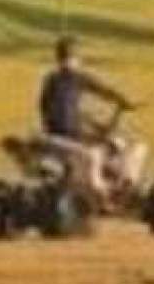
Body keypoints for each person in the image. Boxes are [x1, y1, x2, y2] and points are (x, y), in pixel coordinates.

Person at [36, 36, 135, 199]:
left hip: (53, 130)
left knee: (96, 131)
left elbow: (48, 106)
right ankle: (107, 189)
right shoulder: (78, 77)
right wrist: (124, 101)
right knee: (113, 144)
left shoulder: (51, 79)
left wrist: (88, 120)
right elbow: (104, 91)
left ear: (58, 57)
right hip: (71, 133)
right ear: (76, 58)